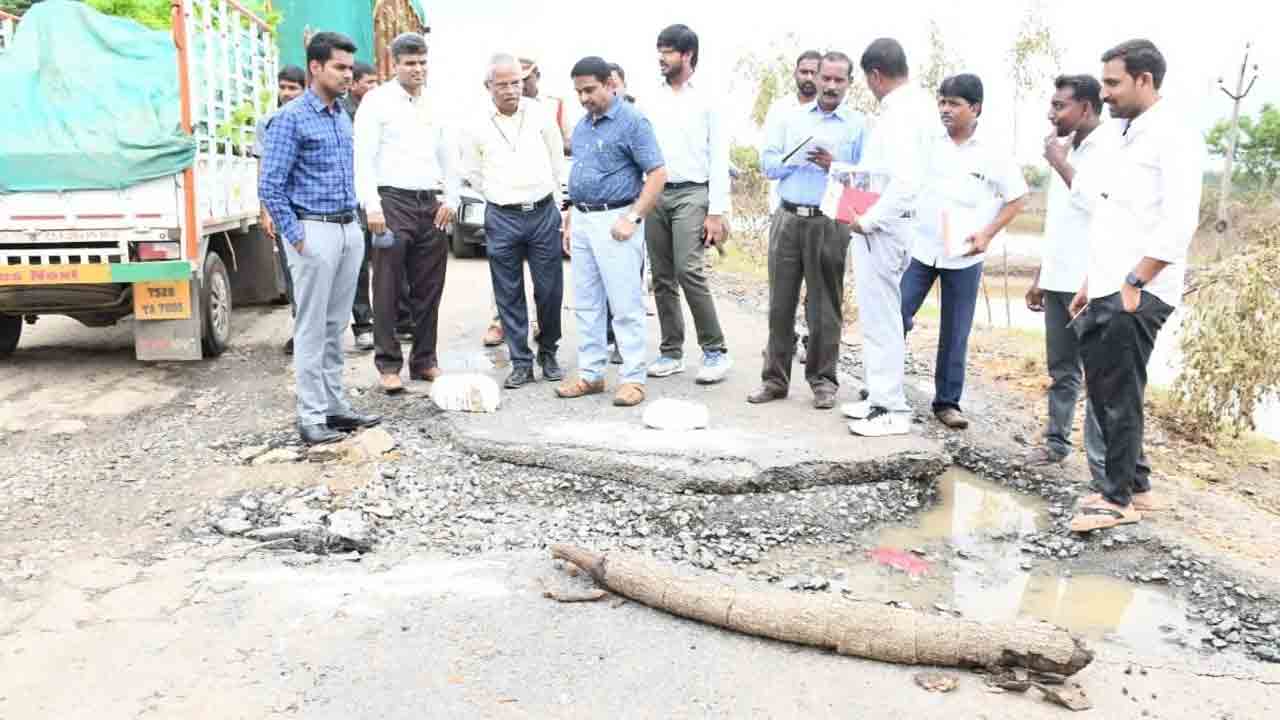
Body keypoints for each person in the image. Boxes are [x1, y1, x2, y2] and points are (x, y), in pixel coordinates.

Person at [1066, 39, 1202, 532]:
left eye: (1112, 83)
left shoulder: (1174, 135)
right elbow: (1115, 216)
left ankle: (1115, 497)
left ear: (1145, 80)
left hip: (1139, 286)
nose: (1104, 93)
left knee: (1118, 392)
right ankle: (1137, 487)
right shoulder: (1124, 135)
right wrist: (1091, 281)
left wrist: (1134, 279)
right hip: (1109, 282)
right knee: (1109, 390)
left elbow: (1180, 220)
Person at [258, 32, 381, 446]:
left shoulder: (341, 115)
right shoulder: (290, 118)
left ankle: (335, 407)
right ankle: (310, 415)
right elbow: (271, 186)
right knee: (311, 327)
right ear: (315, 68)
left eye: (350, 68)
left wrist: (356, 228)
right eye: (340, 67)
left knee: (335, 325)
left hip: (348, 229)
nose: (348, 75)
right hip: (313, 231)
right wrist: (297, 238)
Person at [900, 74, 1028, 430]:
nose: (945, 109)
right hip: (922, 249)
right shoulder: (927, 143)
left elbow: (1017, 198)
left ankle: (947, 403)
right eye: (941, 102)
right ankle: (884, 389)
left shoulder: (994, 153)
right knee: (896, 314)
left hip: (965, 254)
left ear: (975, 109)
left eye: (953, 103)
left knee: (955, 331)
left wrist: (987, 233)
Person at [749, 51, 864, 410]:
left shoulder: (858, 126)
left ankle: (823, 382)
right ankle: (774, 381)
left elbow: (863, 181)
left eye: (836, 80)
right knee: (780, 305)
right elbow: (767, 165)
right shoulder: (791, 119)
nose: (828, 85)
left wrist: (835, 166)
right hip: (787, 218)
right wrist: (793, 159)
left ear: (849, 83)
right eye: (823, 78)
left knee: (825, 307)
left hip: (830, 222)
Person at [556, 56, 667, 407]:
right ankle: (591, 374)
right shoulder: (583, 125)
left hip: (617, 220)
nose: (584, 97)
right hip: (585, 220)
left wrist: (632, 218)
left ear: (610, 84)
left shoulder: (633, 121)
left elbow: (658, 174)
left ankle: (633, 378)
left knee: (625, 304)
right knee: (587, 303)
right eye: (579, 92)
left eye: (590, 90)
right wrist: (572, 219)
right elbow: (581, 175)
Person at [353, 32, 458, 394]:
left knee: (430, 286)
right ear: (394, 63)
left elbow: (449, 154)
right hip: (391, 202)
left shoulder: (437, 103)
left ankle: (425, 360)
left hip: (430, 203)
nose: (417, 69)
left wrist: (453, 198)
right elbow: (363, 158)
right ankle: (388, 363)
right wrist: (371, 204)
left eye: (422, 62)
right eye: (410, 63)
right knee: (387, 284)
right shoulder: (376, 102)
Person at [843, 38, 936, 437]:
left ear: (875, 75)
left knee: (883, 318)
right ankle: (878, 397)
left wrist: (869, 218)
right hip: (884, 224)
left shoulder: (903, 114)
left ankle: (891, 407)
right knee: (877, 317)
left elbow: (905, 182)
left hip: (884, 227)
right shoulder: (912, 108)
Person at [1024, 74, 1112, 490]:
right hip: (1058, 278)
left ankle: (1103, 470)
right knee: (1062, 371)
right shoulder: (1070, 148)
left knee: (1099, 375)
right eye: (1053, 104)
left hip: (1090, 282)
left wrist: (1059, 162)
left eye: (1060, 105)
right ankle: (1056, 443)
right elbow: (1059, 223)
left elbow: (1098, 206)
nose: (1052, 112)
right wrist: (1041, 276)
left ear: (1087, 109)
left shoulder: (1108, 149)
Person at [460, 53, 566, 389]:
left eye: (516, 83)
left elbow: (555, 159)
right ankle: (521, 362)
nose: (511, 90)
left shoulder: (541, 115)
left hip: (542, 212)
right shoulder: (475, 124)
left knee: (549, 289)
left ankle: (548, 352)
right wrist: (498, 193)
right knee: (508, 292)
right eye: (502, 84)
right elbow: (473, 172)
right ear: (488, 86)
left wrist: (556, 202)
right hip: (502, 216)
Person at [644, 24, 733, 385]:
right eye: (659, 50)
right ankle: (671, 352)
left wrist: (717, 211)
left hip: (693, 193)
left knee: (688, 270)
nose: (660, 58)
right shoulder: (652, 98)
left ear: (687, 54)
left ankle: (715, 351)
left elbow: (718, 157)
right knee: (661, 277)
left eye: (666, 51)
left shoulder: (709, 98)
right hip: (656, 194)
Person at [251, 65, 305, 355]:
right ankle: (301, 331)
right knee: (293, 272)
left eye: (292, 88)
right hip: (285, 210)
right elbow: (263, 169)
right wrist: (266, 210)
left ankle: (322, 331)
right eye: (282, 87)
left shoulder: (318, 119)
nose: (286, 93)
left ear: (305, 89)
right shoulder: (268, 122)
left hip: (314, 206)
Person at [339, 60, 379, 353]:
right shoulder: (342, 114)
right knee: (359, 267)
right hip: (354, 203)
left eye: (377, 82)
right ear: (353, 85)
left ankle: (400, 321)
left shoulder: (383, 111)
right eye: (368, 82)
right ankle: (364, 326)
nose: (374, 88)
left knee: (391, 264)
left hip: (382, 198)